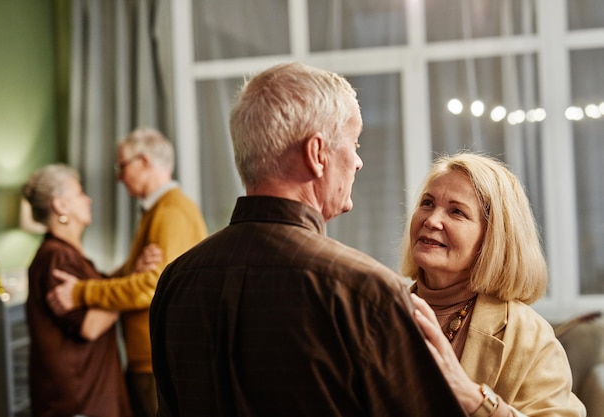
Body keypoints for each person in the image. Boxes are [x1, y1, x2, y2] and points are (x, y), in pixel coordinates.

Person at [149, 62, 468, 417]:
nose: (358, 162)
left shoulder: (176, 281)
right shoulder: (365, 294)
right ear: (317, 154)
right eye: (354, 142)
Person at [400, 152, 586, 417]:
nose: (431, 220)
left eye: (456, 211)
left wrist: (474, 398)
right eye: (427, 203)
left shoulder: (530, 336)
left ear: (493, 238)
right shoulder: (380, 312)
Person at [46, 128, 208, 417]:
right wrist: (133, 269)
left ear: (144, 162)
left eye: (122, 166)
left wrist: (80, 292)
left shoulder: (170, 212)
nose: (119, 176)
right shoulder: (159, 210)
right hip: (151, 357)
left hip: (156, 360)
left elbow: (152, 287)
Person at [22, 164, 134, 417]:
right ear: (60, 206)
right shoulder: (57, 258)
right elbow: (89, 325)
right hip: (78, 398)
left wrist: (133, 267)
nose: (88, 199)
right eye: (80, 193)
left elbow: (101, 288)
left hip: (86, 390)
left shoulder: (67, 254)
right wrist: (138, 287)